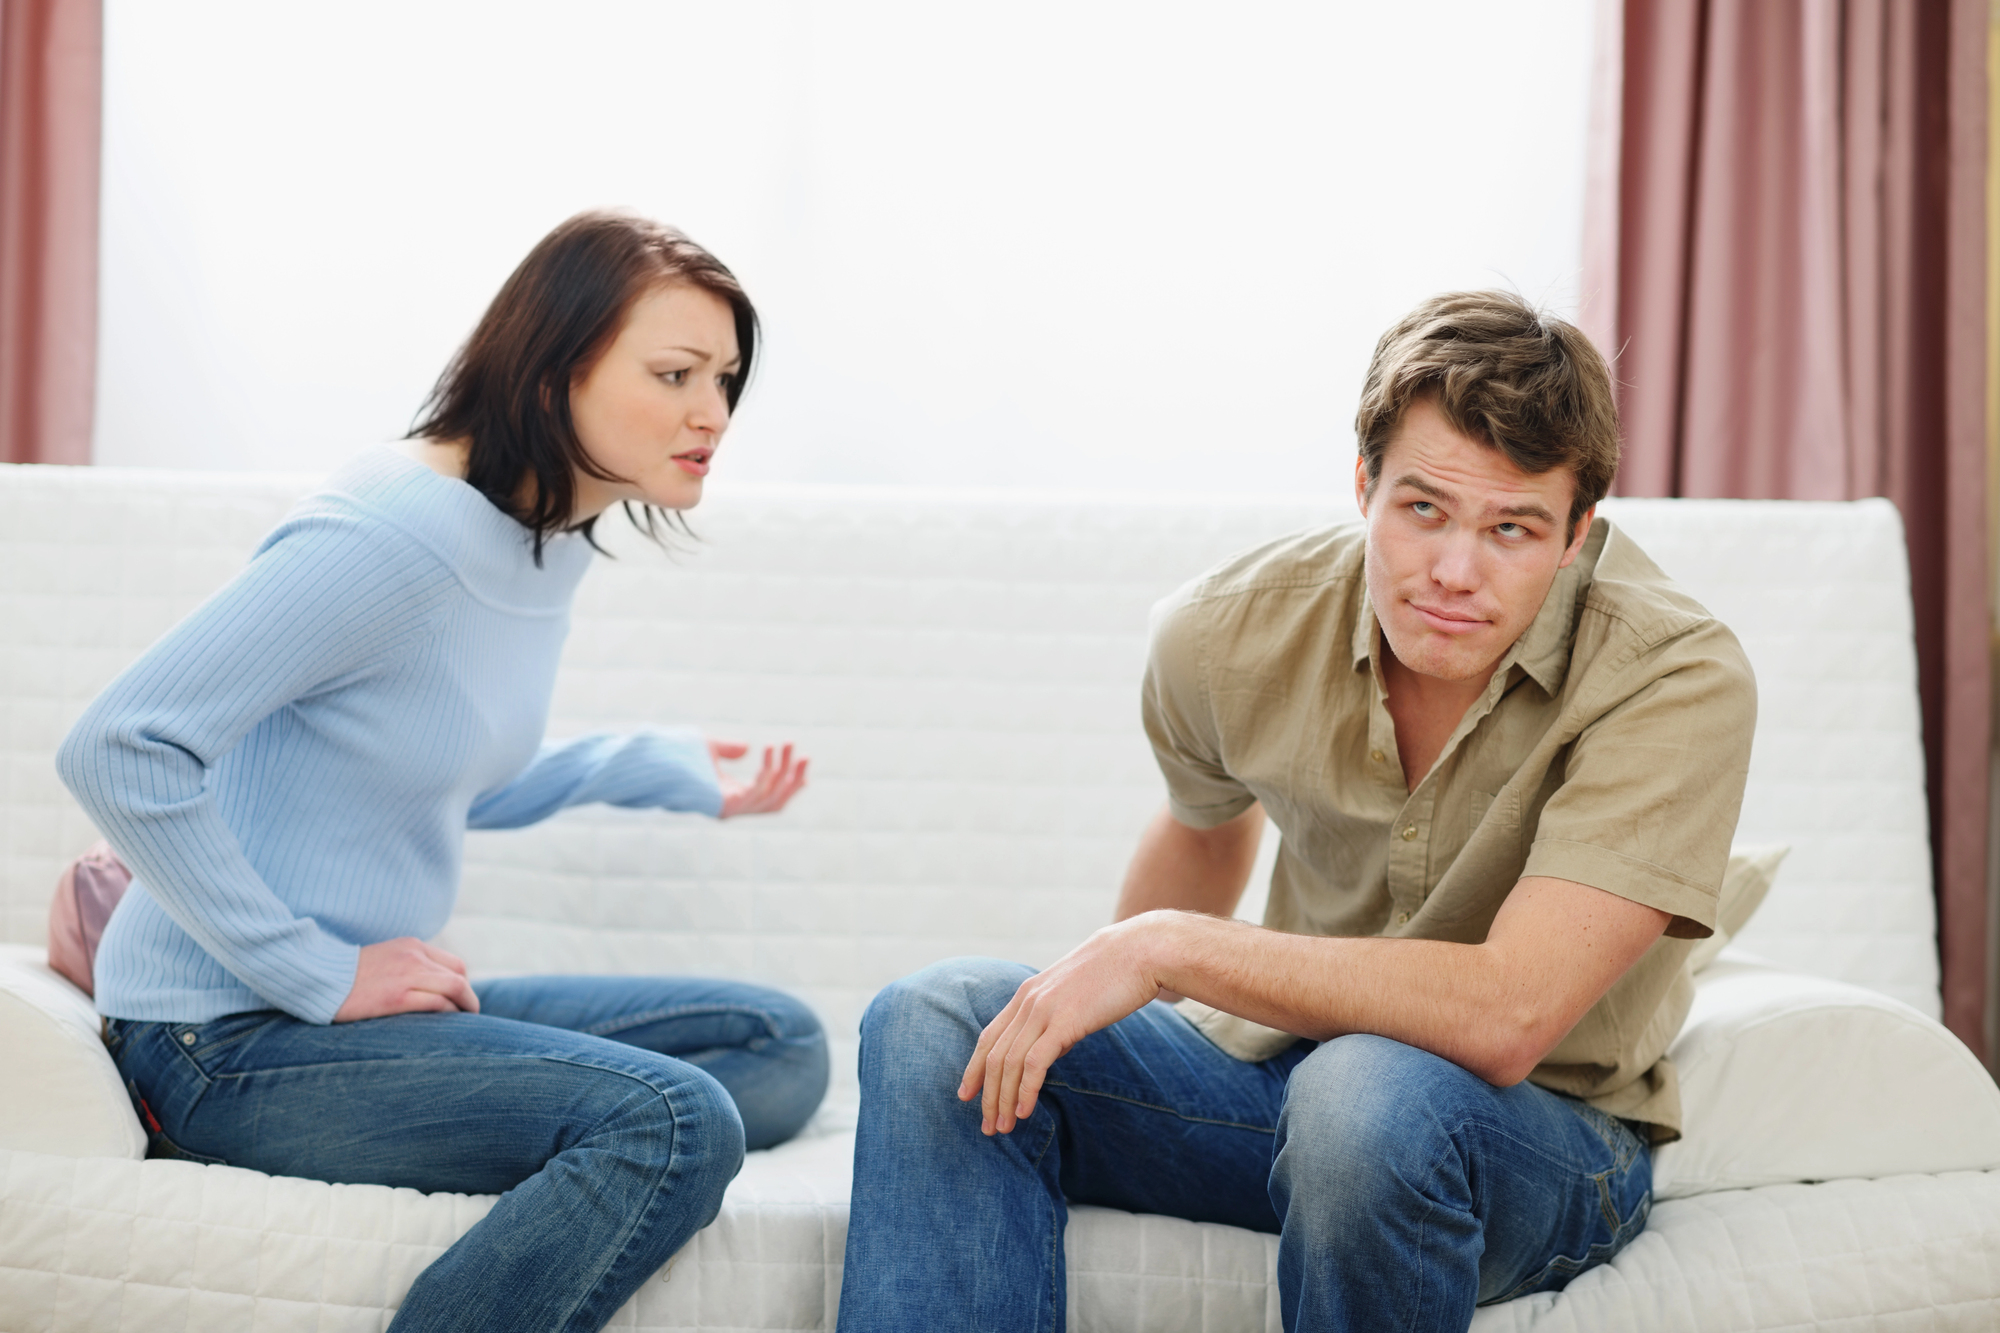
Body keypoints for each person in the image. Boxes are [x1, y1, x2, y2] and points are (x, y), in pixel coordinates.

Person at [836, 291, 1756, 1332]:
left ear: (1576, 531)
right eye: (1421, 509)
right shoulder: (1225, 633)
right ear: (1362, 482)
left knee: (1364, 1097)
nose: (1454, 572)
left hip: (1540, 1136)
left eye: (1511, 528)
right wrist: (1102, 993)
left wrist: (1168, 947)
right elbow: (1200, 824)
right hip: (1288, 1088)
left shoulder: (1673, 674)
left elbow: (1508, 1015)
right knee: (935, 1020)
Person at [57, 210, 830, 1333]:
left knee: (778, 1044)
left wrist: (658, 766)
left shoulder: (545, 533)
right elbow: (120, 742)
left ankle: (509, 1112)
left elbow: (434, 764)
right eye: (672, 374)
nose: (711, 414)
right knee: (675, 1120)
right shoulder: (390, 532)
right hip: (221, 1038)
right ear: (556, 370)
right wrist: (318, 972)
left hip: (344, 1025)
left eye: (724, 377)